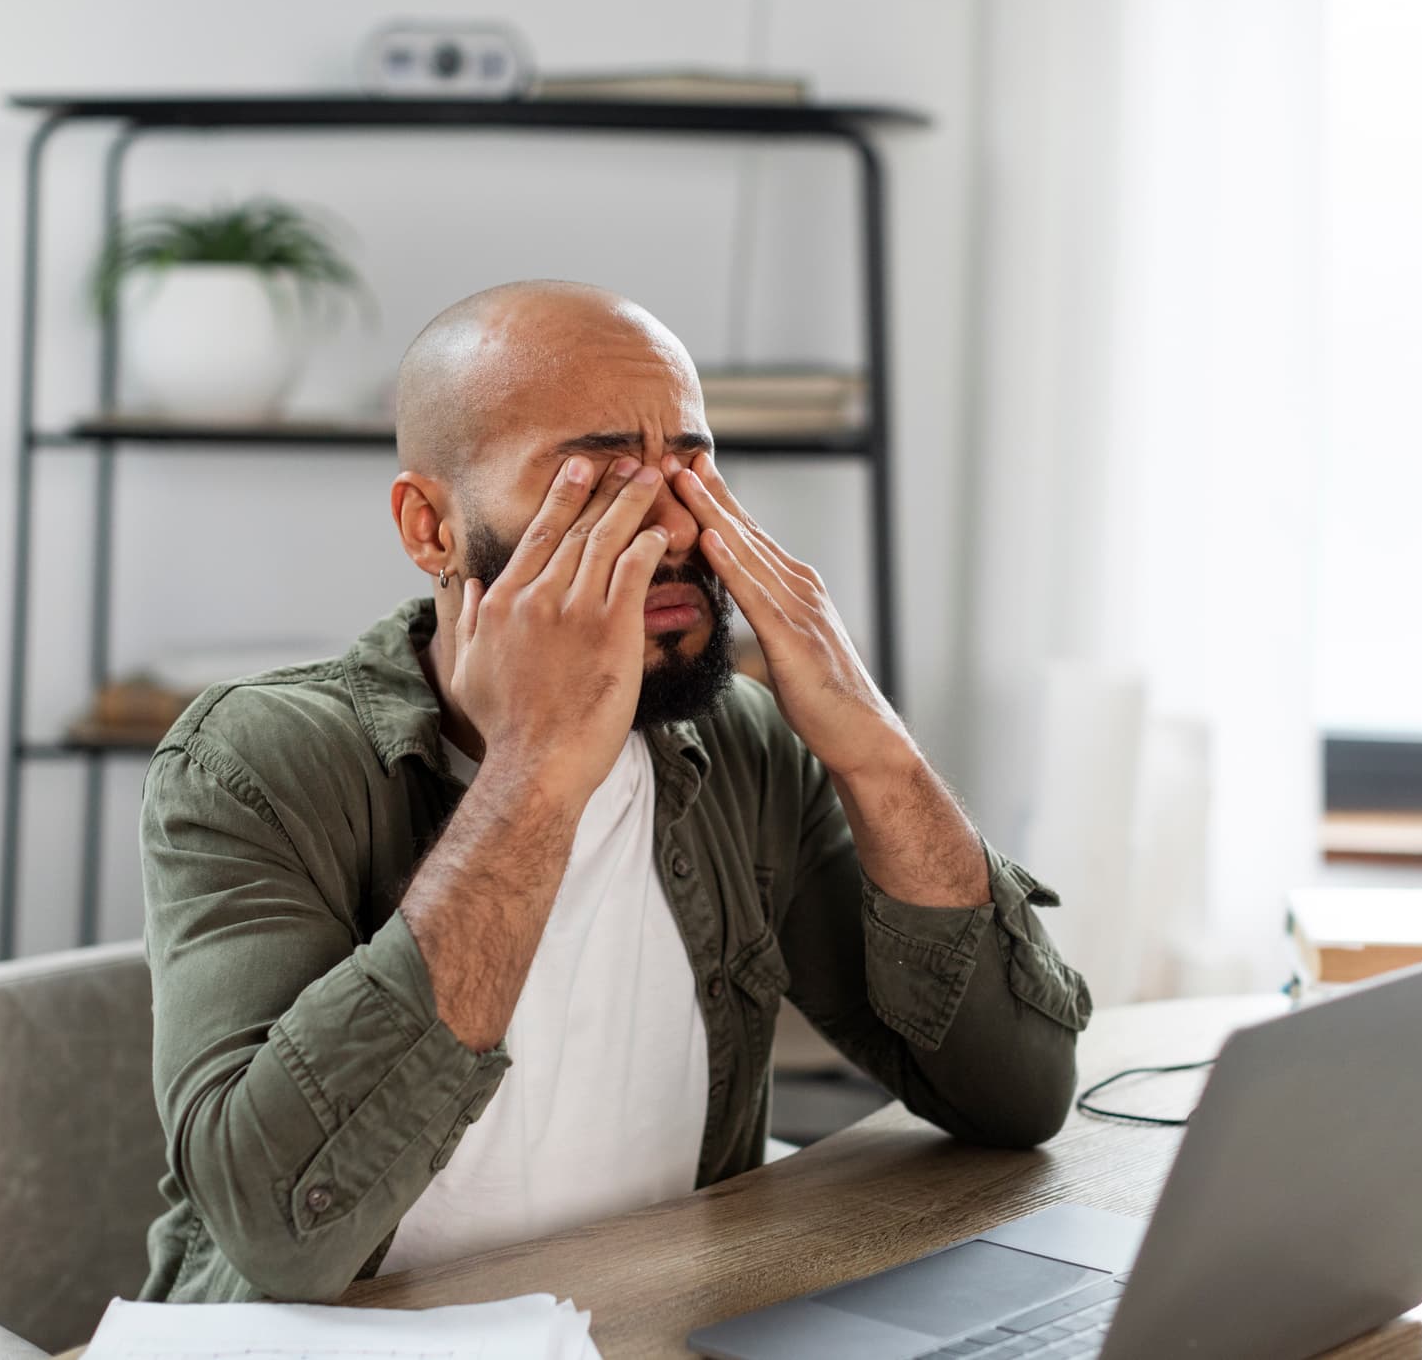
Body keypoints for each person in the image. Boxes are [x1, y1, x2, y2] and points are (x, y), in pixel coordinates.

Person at [136, 280, 1092, 1304]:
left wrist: (875, 751)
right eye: (595, 476)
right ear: (431, 530)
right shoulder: (255, 761)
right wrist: (533, 772)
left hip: (649, 1321)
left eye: (690, 463)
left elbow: (1014, 1096)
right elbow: (281, 1233)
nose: (675, 524)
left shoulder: (740, 747)